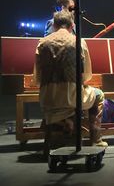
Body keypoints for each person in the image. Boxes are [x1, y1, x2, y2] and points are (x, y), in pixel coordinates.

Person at [33, 10, 107, 147]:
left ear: (54, 26)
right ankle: (96, 139)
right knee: (99, 95)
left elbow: (37, 78)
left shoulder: (42, 43)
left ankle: (61, 128)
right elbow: (87, 76)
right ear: (72, 25)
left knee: (63, 98)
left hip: (48, 99)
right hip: (72, 99)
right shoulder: (79, 42)